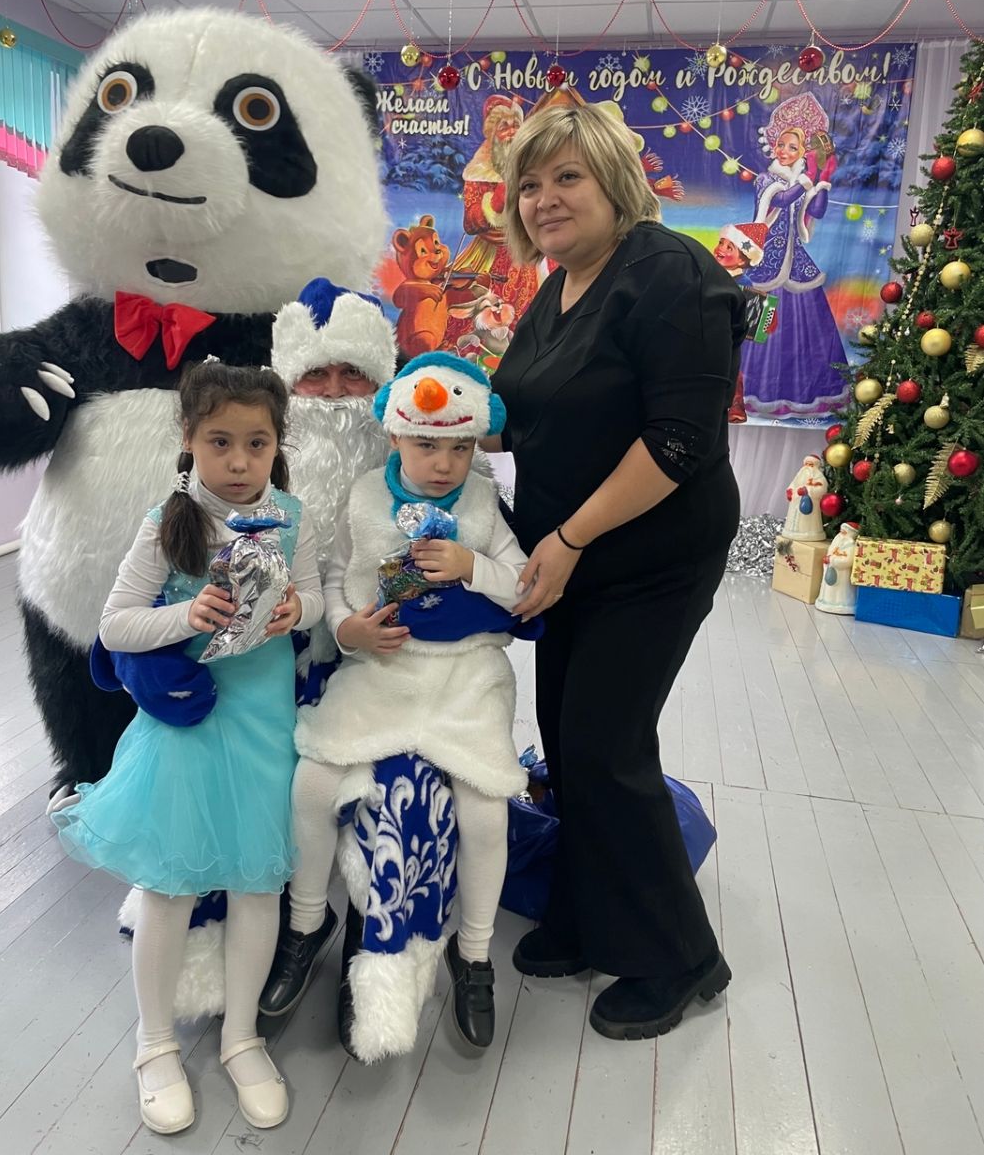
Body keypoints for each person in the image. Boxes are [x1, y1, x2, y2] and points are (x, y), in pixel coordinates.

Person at [490, 103, 743, 1040]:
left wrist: (567, 539)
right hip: (576, 557)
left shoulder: (670, 274)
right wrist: (419, 423)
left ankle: (680, 958)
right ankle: (588, 914)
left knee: (606, 747)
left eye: (567, 177)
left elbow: (678, 440)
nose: (544, 199)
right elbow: (522, 416)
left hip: (649, 558)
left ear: (614, 183)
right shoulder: (558, 287)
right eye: (529, 184)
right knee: (565, 745)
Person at [51, 360, 324, 1135]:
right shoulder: (167, 523)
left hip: (263, 728)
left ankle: (241, 1036)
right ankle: (155, 1042)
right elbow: (115, 625)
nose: (238, 461)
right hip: (185, 728)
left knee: (257, 887)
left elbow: (318, 598)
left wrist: (299, 610)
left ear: (277, 444)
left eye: (256, 443)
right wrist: (186, 615)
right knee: (168, 890)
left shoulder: (292, 516)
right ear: (189, 440)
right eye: (219, 442)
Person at [263, 353, 530, 1051]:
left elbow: (523, 586)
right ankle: (306, 922)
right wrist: (346, 628)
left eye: (460, 447)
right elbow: (335, 579)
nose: (444, 464)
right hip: (382, 668)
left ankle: (474, 954)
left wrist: (475, 566)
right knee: (312, 781)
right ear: (395, 435)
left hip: (466, 676)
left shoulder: (482, 502)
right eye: (427, 444)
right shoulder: (363, 497)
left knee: (486, 810)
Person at [741, 92, 848, 419]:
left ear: (803, 152)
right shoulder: (766, 180)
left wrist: (824, 178)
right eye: (781, 145)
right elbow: (784, 199)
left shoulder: (801, 180)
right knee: (756, 332)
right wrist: (809, 175)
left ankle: (804, 393)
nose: (784, 151)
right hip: (765, 266)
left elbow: (816, 209)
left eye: (793, 147)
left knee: (808, 331)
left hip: (796, 267)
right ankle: (748, 393)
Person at [442, 94, 543, 352]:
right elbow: (470, 222)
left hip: (523, 250)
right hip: (487, 254)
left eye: (515, 124)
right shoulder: (479, 170)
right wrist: (493, 204)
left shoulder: (532, 166)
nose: (510, 131)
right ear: (492, 132)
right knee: (476, 303)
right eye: (503, 126)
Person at [712, 221, 778, 423]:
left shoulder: (744, 284)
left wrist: (764, 318)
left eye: (729, 247)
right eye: (721, 243)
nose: (721, 249)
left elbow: (754, 314)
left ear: (742, 261)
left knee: (732, 371)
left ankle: (735, 406)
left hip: (728, 338)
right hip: (706, 332)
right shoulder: (709, 274)